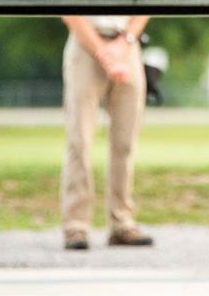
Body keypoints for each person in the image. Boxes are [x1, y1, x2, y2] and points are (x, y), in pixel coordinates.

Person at [60, 15, 153, 250]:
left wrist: (125, 41)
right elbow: (69, 10)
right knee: (79, 141)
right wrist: (102, 52)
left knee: (125, 142)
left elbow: (144, 5)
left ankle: (121, 222)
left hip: (127, 45)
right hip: (85, 44)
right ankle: (76, 225)